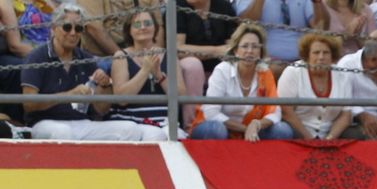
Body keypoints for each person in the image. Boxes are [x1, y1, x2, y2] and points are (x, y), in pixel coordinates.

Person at [21, 5, 155, 141]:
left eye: (78, 28)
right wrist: (69, 95)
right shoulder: (37, 56)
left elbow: (101, 110)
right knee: (63, 133)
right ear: (54, 28)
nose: (73, 33)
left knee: (130, 130)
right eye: (67, 27)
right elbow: (29, 104)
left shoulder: (86, 58)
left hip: (82, 123)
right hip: (44, 123)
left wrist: (105, 85)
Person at [191, 23, 295, 140]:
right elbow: (211, 113)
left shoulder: (265, 72)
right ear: (236, 50)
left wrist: (256, 125)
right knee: (217, 129)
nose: (250, 51)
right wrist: (245, 129)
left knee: (283, 130)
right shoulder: (222, 70)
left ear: (260, 51)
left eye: (255, 47)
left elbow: (275, 113)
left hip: (253, 130)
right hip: (218, 128)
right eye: (245, 46)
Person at [108, 7, 183, 137]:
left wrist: (159, 76)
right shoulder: (121, 56)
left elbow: (181, 97)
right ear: (129, 31)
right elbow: (121, 99)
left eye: (148, 23)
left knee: (178, 137)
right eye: (137, 24)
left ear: (155, 28)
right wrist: (145, 70)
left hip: (165, 123)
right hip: (132, 124)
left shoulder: (169, 55)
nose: (143, 27)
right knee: (154, 136)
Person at [277, 32, 356, 139]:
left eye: (326, 53)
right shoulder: (293, 72)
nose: (321, 57)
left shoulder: (343, 76)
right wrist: (309, 138)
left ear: (332, 55)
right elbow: (286, 112)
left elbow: (346, 115)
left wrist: (330, 139)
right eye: (316, 52)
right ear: (307, 55)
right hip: (297, 132)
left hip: (330, 134)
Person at [242, 0, 331, 71]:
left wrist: (317, 3)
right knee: (274, 69)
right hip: (267, 60)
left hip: (301, 60)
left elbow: (320, 28)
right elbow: (247, 24)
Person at [176, 0, 244, 75]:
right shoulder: (177, 7)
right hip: (189, 70)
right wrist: (217, 51)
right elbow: (178, 49)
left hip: (220, 67)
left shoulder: (224, 6)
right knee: (193, 65)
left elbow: (231, 46)